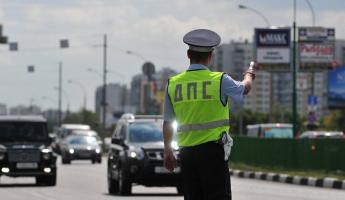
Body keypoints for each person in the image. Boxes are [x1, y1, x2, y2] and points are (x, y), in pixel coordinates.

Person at [162, 29, 256, 200]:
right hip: (213, 152)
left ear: (188, 54)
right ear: (211, 56)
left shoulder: (173, 84)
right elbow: (245, 88)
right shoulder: (220, 80)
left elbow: (167, 122)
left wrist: (168, 151)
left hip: (187, 154)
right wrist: (249, 75)